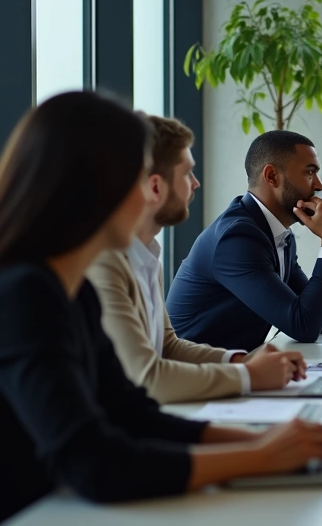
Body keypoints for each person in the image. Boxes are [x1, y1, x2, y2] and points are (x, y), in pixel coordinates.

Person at [0, 92, 322, 526]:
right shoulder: (20, 296)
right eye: (138, 179)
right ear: (94, 189)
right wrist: (258, 457)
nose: (149, 195)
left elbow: (132, 412)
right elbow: (96, 465)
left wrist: (261, 440)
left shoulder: (71, 292)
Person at [87, 114, 307, 403]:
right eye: (187, 174)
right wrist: (250, 375)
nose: (196, 184)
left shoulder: (147, 255)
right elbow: (146, 378)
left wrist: (241, 361)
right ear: (155, 187)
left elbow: (168, 346)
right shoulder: (105, 263)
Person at [167, 130, 322, 351]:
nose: (319, 186)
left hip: (232, 371)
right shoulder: (237, 238)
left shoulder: (276, 233)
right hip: (194, 377)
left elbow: (305, 306)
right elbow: (303, 324)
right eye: (310, 173)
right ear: (272, 176)